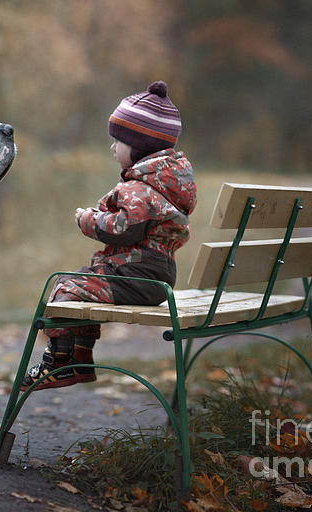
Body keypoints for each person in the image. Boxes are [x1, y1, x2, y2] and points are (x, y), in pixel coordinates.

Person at [22, 81, 197, 391]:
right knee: (80, 280)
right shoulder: (164, 186)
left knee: (64, 288)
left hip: (135, 274)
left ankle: (61, 364)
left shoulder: (139, 188)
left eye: (118, 141)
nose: (113, 147)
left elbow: (124, 229)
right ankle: (80, 361)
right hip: (157, 277)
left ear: (140, 146)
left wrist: (89, 220)